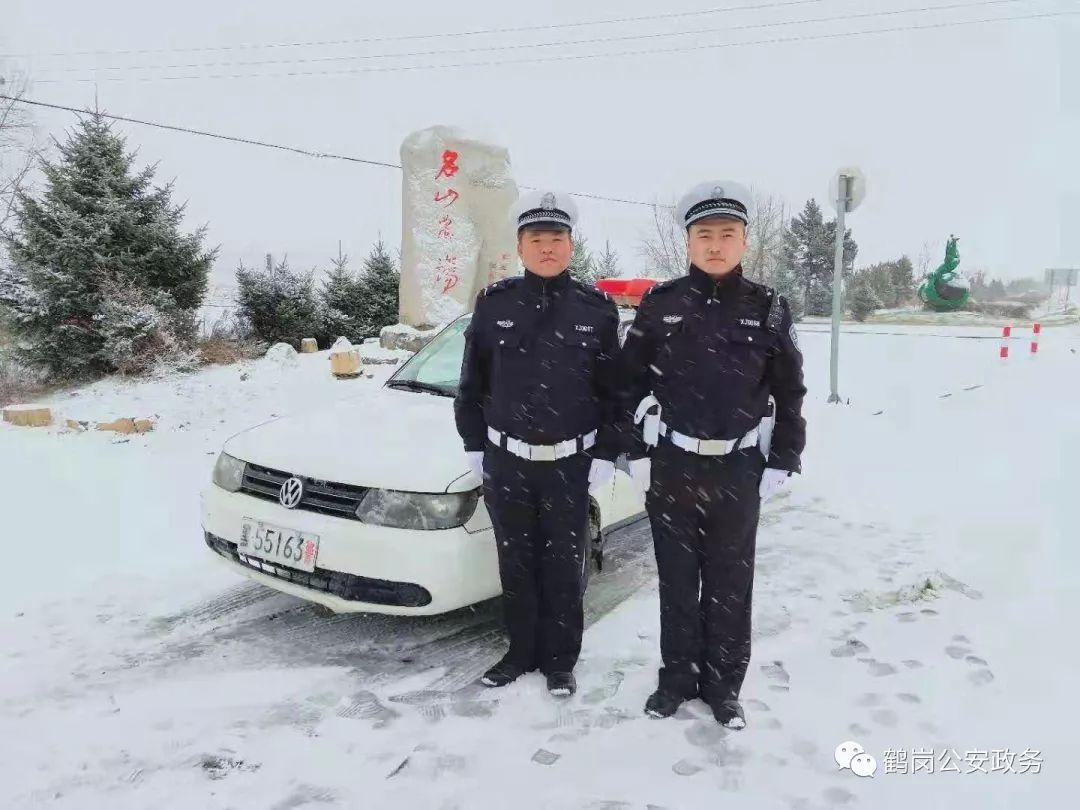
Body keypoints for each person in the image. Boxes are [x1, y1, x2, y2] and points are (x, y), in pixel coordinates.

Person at [618, 180, 807, 727]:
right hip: (674, 463)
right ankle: (676, 678)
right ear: (689, 242)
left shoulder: (769, 307)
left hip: (737, 467)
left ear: (745, 241)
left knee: (729, 582)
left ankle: (725, 688)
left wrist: (783, 456)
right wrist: (635, 450)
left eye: (728, 234)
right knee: (677, 578)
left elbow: (790, 390)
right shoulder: (661, 303)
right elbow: (627, 384)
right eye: (705, 234)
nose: (716, 244)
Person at [454, 190, 621, 697]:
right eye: (536, 238)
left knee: (566, 564)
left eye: (556, 238)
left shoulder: (596, 310)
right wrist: (474, 444)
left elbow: (616, 388)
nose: (547, 247)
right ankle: (520, 651)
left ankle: (560, 660)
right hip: (507, 461)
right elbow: (473, 381)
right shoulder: (494, 304)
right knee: (516, 560)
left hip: (571, 464)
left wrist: (609, 449)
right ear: (520, 246)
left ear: (571, 245)